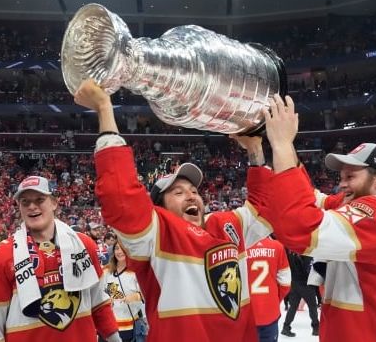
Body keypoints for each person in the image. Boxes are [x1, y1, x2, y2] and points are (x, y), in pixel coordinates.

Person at [74, 79, 276, 342]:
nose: (191, 195)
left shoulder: (226, 225)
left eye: (193, 191)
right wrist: (104, 109)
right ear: (159, 208)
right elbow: (120, 197)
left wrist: (255, 151)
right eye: (178, 193)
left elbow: (266, 208)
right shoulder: (158, 234)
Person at [260, 94, 376, 342]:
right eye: (341, 177)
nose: (341, 185)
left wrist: (282, 145)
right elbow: (311, 197)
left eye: (350, 177)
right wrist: (275, 147)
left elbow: (298, 227)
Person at [0, 175, 121, 342]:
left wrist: (115, 339)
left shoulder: (84, 245)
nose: (32, 207)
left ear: (54, 203)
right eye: (25, 202)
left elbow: (99, 303)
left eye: (39, 199)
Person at [247, 235, 291, 342]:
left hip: (246, 313)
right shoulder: (278, 246)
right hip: (270, 312)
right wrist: (274, 300)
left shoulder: (239, 247)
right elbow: (285, 283)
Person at [104, 241, 148, 342]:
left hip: (129, 325)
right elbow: (99, 291)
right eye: (117, 248)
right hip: (109, 325)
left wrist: (135, 296)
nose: (119, 251)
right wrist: (105, 299)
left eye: (123, 248)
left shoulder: (136, 271)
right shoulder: (106, 270)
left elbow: (147, 293)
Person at [280, 250, 319, 338]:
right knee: (312, 306)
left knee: (293, 307)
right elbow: (307, 269)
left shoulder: (290, 253)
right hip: (306, 284)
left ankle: (286, 327)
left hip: (294, 283)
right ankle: (316, 328)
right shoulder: (307, 254)